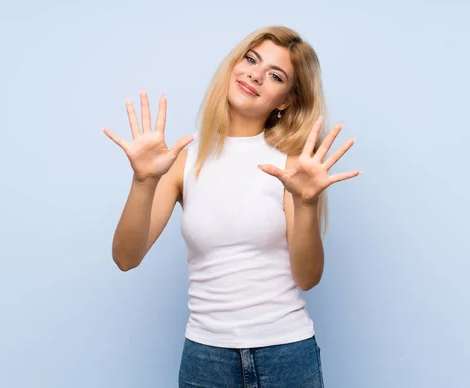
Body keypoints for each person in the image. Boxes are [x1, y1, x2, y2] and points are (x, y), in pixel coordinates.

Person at [103, 25, 360, 388]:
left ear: (285, 99)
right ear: (234, 64)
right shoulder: (184, 162)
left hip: (285, 354)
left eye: (275, 75)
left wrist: (307, 202)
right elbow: (125, 258)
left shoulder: (293, 166)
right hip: (205, 358)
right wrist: (143, 181)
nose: (255, 74)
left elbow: (308, 278)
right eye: (251, 59)